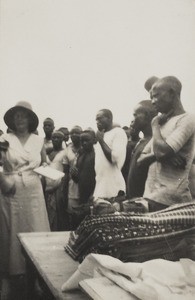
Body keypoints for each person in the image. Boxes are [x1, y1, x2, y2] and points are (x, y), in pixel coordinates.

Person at [0, 101, 50, 299]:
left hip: (33, 191)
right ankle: (8, 281)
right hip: (11, 190)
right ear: (12, 120)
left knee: (36, 230)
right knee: (10, 233)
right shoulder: (5, 138)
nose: (19, 119)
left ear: (30, 119)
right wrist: (3, 181)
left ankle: (35, 280)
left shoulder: (38, 141)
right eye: (16, 116)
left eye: (23, 116)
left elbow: (44, 161)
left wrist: (49, 171)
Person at [138, 76, 195, 211]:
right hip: (151, 197)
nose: (152, 102)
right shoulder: (164, 122)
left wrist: (155, 125)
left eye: (156, 96)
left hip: (170, 201)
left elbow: (162, 152)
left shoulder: (187, 119)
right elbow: (140, 161)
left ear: (171, 93)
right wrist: (162, 155)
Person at [94, 109, 127, 200]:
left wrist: (101, 141)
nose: (97, 122)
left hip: (113, 188)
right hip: (101, 187)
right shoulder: (102, 135)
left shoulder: (118, 132)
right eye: (96, 120)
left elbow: (114, 158)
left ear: (109, 118)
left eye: (100, 119)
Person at [126, 100, 157, 199]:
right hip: (133, 200)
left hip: (145, 201)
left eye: (135, 115)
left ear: (147, 115)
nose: (133, 119)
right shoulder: (141, 141)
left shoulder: (156, 142)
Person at [45, 130, 67, 231]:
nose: (56, 139)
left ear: (63, 139)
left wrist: (60, 185)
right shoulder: (47, 152)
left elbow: (66, 171)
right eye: (54, 137)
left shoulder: (65, 152)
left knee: (59, 213)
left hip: (59, 185)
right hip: (47, 186)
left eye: (58, 137)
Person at [63, 125, 82, 230]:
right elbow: (65, 171)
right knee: (72, 214)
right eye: (72, 133)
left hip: (84, 185)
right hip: (72, 186)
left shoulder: (87, 147)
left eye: (77, 132)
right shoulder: (67, 150)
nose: (74, 135)